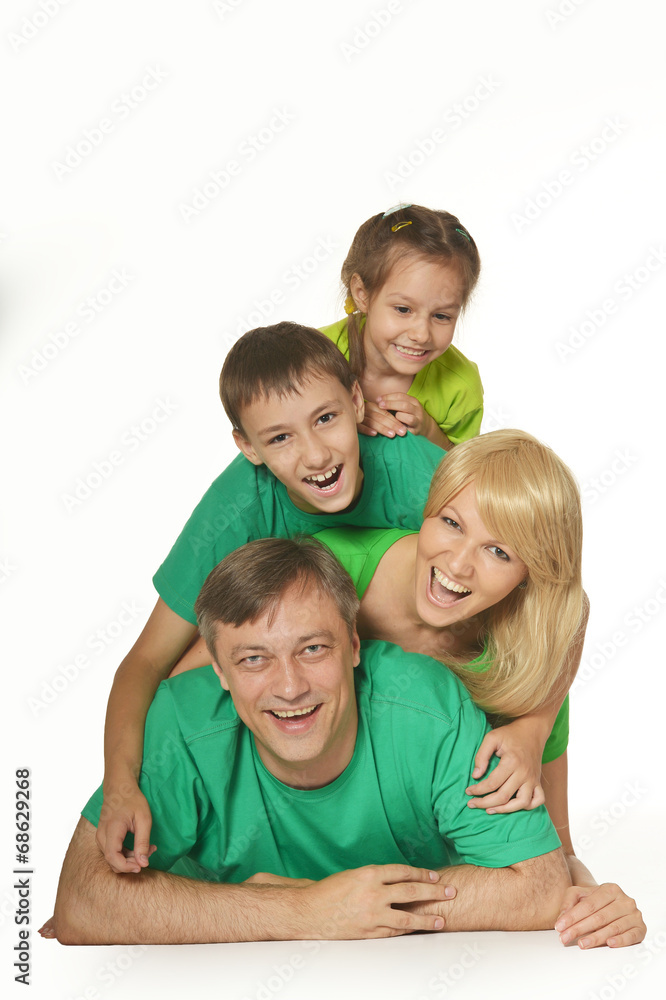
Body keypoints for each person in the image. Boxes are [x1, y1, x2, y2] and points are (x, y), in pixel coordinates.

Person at [50, 537, 571, 945]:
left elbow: (540, 885)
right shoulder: (183, 720)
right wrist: (308, 910)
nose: (290, 687)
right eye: (253, 658)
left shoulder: (427, 707)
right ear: (221, 673)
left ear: (352, 645)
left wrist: (357, 909)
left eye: (313, 648)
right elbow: (83, 900)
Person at [98, 322, 445, 876]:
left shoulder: (410, 467)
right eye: (280, 438)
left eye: (326, 419)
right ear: (248, 448)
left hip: (392, 656)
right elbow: (144, 663)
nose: (314, 456)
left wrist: (529, 740)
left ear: (357, 401)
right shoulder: (237, 505)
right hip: (311, 657)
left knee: (464, 601)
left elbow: (540, 591)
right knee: (194, 668)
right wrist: (120, 788)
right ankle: (221, 847)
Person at [312, 429, 645, 948]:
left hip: (422, 903)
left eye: (497, 550)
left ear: (530, 576)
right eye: (450, 523)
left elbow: (551, 845)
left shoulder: (523, 663)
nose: (459, 564)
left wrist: (596, 899)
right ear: (425, 510)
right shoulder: (334, 570)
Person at [320, 203, 483, 449]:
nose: (421, 334)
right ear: (362, 294)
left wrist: (430, 431)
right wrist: (339, 417)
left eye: (441, 316)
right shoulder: (313, 358)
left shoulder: (460, 388)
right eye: (403, 310)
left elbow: (465, 476)